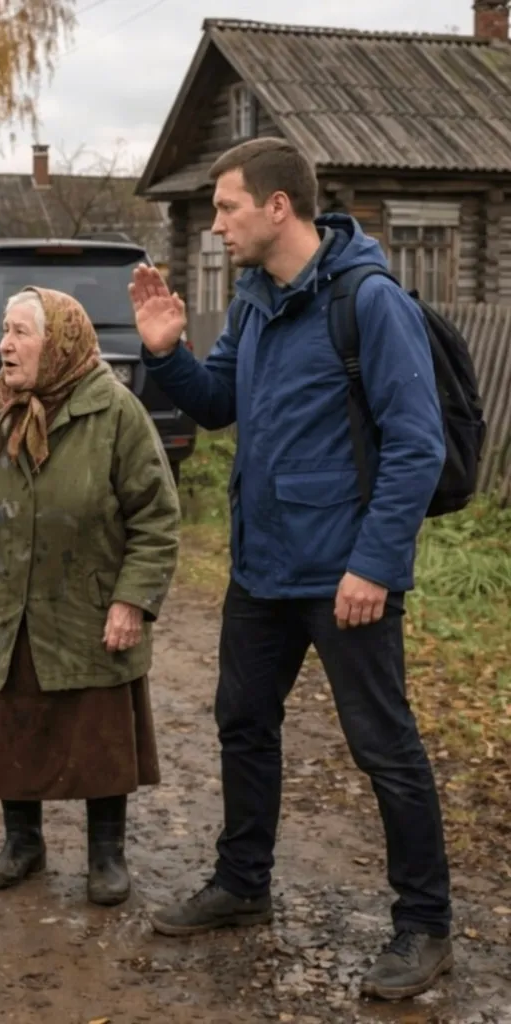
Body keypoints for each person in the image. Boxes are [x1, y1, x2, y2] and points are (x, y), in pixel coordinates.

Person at [131, 137, 452, 1001]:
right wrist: (166, 353)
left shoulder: (368, 300)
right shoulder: (254, 301)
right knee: (242, 723)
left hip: (347, 575)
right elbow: (219, 405)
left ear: (279, 207)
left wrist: (374, 565)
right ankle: (243, 883)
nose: (216, 225)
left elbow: (417, 446)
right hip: (263, 566)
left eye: (227, 207)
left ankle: (425, 924)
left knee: (383, 747)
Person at [0, 286, 180, 905]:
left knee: (99, 733)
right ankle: (23, 843)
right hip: (6, 601)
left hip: (87, 605)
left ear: (60, 344)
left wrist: (132, 600)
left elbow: (156, 517)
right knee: (13, 720)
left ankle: (106, 854)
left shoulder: (115, 411)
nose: (5, 346)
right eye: (5, 331)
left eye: (21, 333)